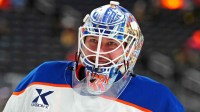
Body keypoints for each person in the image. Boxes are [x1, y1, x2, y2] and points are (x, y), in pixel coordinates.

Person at [3, 1, 184, 112]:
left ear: (130, 49)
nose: (99, 51)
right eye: (93, 41)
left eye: (111, 43)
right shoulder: (42, 77)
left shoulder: (158, 99)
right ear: (82, 41)